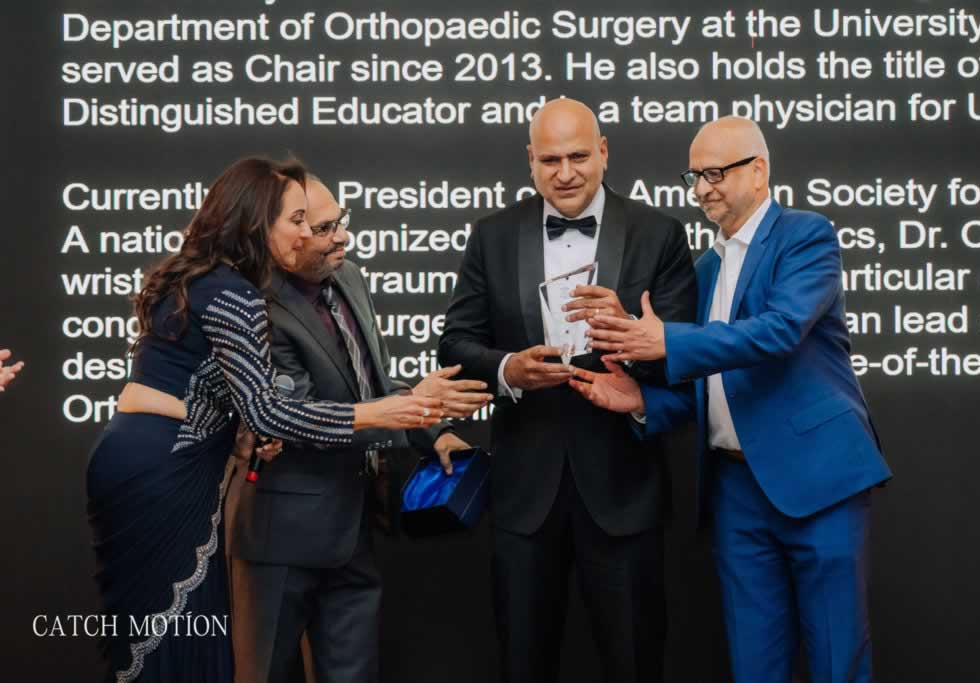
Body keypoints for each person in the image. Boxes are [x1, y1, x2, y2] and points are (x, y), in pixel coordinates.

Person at [86, 158, 443, 683]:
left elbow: (229, 400)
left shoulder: (201, 277)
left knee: (156, 638)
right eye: (296, 220)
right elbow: (267, 409)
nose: (306, 233)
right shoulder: (234, 291)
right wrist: (377, 412)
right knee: (167, 636)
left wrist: (245, 433)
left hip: (145, 453)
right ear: (255, 222)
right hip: (164, 467)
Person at [571, 116, 893, 683]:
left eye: (715, 173)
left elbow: (780, 330)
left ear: (759, 171)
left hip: (819, 481)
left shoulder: (805, 235)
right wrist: (642, 400)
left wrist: (667, 340)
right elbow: (709, 388)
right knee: (753, 665)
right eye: (694, 176)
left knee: (837, 661)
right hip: (735, 492)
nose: (702, 188)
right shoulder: (704, 268)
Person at [439, 98, 697, 683]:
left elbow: (684, 358)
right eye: (550, 160)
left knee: (635, 664)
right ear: (530, 161)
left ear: (603, 152)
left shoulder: (659, 234)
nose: (565, 173)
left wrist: (631, 334)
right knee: (523, 665)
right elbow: (454, 344)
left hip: (624, 490)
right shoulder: (492, 235)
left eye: (578, 156)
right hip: (524, 494)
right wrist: (509, 369)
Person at [227, 176, 491, 683]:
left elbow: (373, 382)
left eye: (340, 220)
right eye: (323, 227)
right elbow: (300, 417)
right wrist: (411, 404)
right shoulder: (254, 304)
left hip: (356, 525)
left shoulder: (348, 277)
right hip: (280, 535)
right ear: (280, 235)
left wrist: (433, 431)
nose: (342, 236)